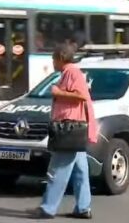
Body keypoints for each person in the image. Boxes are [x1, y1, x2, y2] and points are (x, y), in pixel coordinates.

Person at [28, 43, 98, 220]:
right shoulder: (69, 72)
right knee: (80, 170)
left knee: (58, 169)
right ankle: (83, 207)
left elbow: (81, 95)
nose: (52, 63)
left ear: (60, 58)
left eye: (53, 59)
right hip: (74, 128)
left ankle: (47, 208)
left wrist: (58, 92)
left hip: (69, 128)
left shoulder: (72, 72)